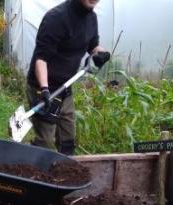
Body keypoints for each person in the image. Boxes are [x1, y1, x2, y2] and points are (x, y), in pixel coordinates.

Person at [26, 0, 110, 156]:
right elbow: (41, 59)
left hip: (65, 88)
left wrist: (101, 54)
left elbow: (93, 46)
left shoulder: (91, 19)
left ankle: (61, 176)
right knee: (45, 143)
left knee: (67, 142)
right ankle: (31, 170)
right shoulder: (56, 18)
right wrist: (44, 89)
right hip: (43, 87)